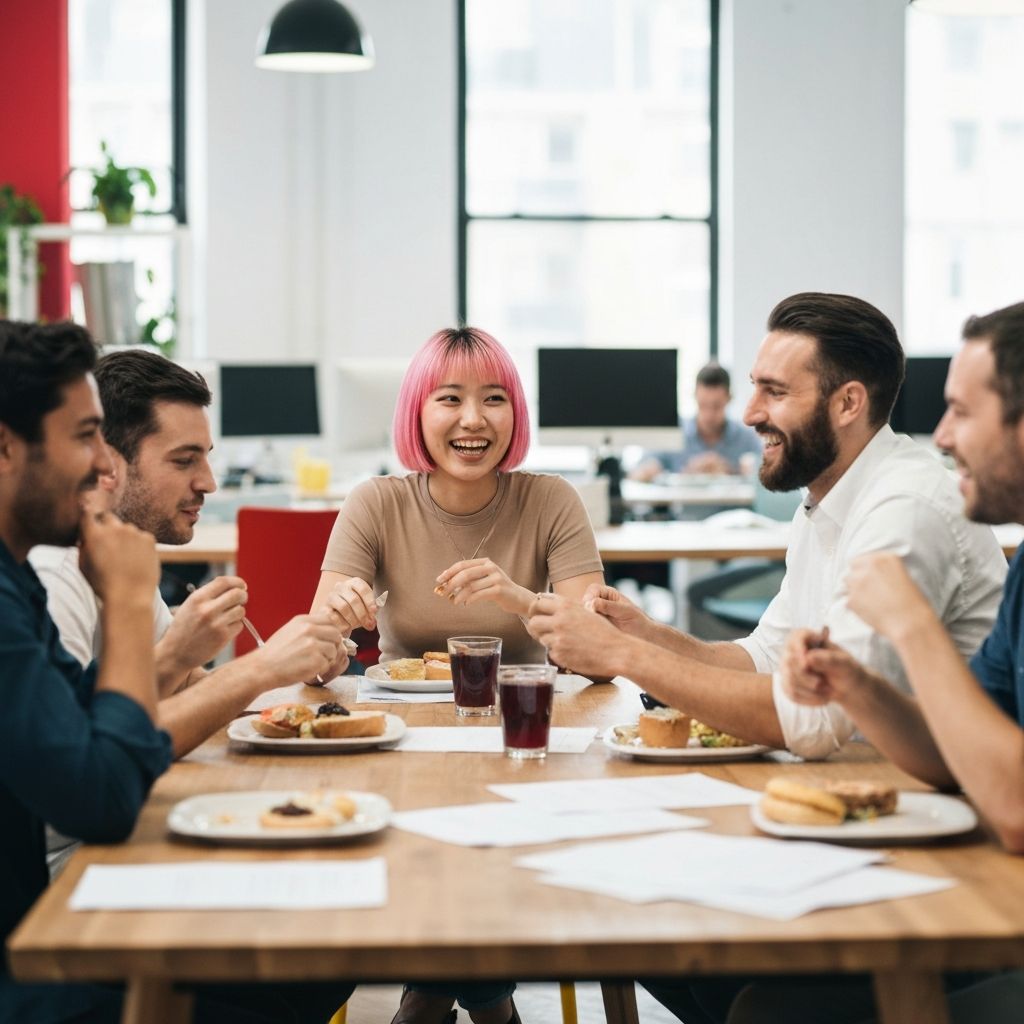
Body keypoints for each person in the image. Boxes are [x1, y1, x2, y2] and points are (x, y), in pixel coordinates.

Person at [0, 320, 352, 1023]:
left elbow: (94, 724)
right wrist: (130, 601)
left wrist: (178, 653)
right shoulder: (38, 581)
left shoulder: (19, 585)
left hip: (49, 912)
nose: (103, 465)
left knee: (322, 955)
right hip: (35, 949)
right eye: (83, 438)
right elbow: (100, 796)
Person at [527, 292, 1007, 762]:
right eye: (754, 387)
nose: (750, 414)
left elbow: (815, 721)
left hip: (944, 798)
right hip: (873, 779)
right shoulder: (823, 500)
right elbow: (765, 657)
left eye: (774, 392)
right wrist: (644, 634)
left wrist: (624, 657)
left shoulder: (903, 508)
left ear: (847, 404)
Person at [722, 302, 1024, 1024]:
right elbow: (951, 753)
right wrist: (858, 688)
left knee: (765, 1009)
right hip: (984, 874)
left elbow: (1015, 809)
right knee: (709, 976)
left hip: (994, 899)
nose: (942, 435)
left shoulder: (911, 499)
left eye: (960, 411)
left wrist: (912, 627)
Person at [311, 326, 605, 1024]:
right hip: (403, 745)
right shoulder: (376, 502)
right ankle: (488, 1000)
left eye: (494, 399)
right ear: (417, 411)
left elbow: (597, 652)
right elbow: (317, 659)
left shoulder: (552, 501)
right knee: (419, 828)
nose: (473, 420)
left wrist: (516, 597)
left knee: (489, 824)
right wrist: (335, 631)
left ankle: (432, 995)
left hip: (526, 742)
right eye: (451, 399)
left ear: (515, 415)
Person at [31, 349, 346, 876]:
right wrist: (258, 669)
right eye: (184, 460)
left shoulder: (117, 550)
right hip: (67, 857)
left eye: (206, 456)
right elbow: (86, 763)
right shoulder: (55, 574)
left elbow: (182, 693)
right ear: (107, 462)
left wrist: (292, 673)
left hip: (114, 822)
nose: (209, 482)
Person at [631, 362, 760, 480]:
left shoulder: (746, 438)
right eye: (703, 405)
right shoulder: (675, 432)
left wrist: (732, 471)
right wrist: (686, 473)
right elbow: (637, 473)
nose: (709, 415)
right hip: (683, 505)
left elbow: (766, 475)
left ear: (729, 399)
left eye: (716, 406)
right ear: (694, 396)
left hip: (734, 506)